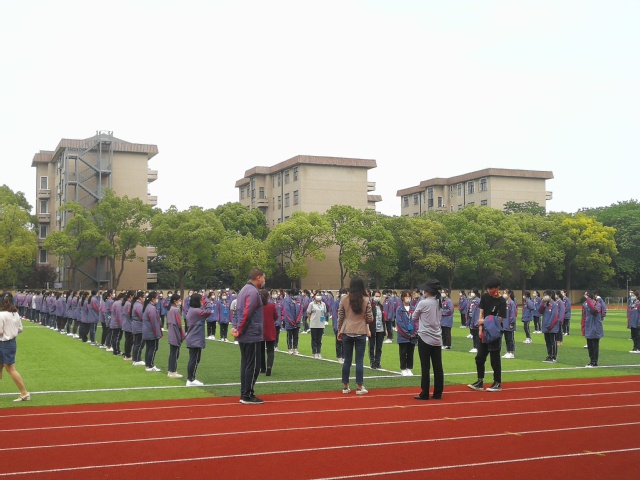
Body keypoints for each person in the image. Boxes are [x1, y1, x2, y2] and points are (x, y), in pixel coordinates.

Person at [232, 268, 266, 404]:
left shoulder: (243, 290)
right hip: (251, 333)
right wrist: (239, 329)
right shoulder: (252, 291)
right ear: (258, 277)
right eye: (263, 277)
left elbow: (237, 311)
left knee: (246, 364)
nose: (264, 280)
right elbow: (247, 313)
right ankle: (247, 394)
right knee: (253, 365)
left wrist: (235, 327)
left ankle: (244, 392)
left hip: (246, 333)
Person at [468, 278, 507, 392]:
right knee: (480, 357)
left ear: (497, 288)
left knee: (495, 359)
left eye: (491, 289)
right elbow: (481, 312)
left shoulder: (502, 301)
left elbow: (500, 319)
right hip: (484, 331)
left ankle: (497, 382)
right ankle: (480, 381)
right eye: (488, 289)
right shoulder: (485, 297)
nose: (489, 291)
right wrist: (480, 328)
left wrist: (484, 321)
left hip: (494, 332)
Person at [338, 277, 373, 395]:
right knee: (359, 360)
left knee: (347, 360)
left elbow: (340, 316)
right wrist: (365, 319)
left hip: (347, 330)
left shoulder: (344, 299)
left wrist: (339, 330)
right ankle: (359, 386)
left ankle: (345, 386)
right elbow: (370, 318)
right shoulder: (366, 300)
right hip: (360, 331)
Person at [413, 280, 444, 400]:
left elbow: (414, 317)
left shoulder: (423, 303)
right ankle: (438, 392)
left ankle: (425, 392)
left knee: (425, 366)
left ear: (428, 291)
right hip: (437, 337)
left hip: (425, 336)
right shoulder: (439, 302)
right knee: (438, 366)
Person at [0, 293, 30, 402]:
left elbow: (0, 331)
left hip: (4, 343)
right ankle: (24, 392)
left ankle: (24, 392)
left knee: (10, 368)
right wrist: (12, 332)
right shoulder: (15, 313)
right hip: (10, 342)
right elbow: (20, 329)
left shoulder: (1, 314)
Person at [185, 292, 213, 385]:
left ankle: (191, 378)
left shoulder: (193, 310)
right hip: (195, 339)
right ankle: (191, 379)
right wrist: (207, 301)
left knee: (195, 359)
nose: (202, 302)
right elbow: (209, 311)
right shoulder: (196, 311)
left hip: (193, 338)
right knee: (194, 359)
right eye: (201, 300)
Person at [395, 290, 417, 376]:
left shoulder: (413, 309)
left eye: (409, 296)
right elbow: (399, 322)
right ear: (402, 298)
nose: (408, 298)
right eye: (406, 296)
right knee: (403, 352)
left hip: (413, 335)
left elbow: (416, 321)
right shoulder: (399, 309)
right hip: (403, 335)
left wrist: (415, 332)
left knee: (411, 352)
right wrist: (407, 333)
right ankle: (403, 368)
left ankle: (409, 368)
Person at [141, 292, 163, 372]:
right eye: (156, 298)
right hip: (151, 332)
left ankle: (148, 365)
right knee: (153, 349)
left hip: (147, 331)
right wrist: (158, 334)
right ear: (153, 299)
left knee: (149, 348)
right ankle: (150, 365)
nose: (157, 299)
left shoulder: (148, 306)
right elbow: (154, 322)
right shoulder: (151, 308)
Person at [583, 291, 604, 367]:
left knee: (595, 346)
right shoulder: (586, 305)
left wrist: (588, 301)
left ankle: (595, 361)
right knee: (590, 346)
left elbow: (594, 311)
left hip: (595, 328)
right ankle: (591, 361)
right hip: (589, 327)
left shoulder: (598, 304)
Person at [166, 293, 185, 378]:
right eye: (179, 300)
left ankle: (171, 370)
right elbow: (179, 324)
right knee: (175, 353)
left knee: (172, 353)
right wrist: (182, 335)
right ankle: (172, 371)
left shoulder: (170, 309)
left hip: (171, 332)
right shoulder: (175, 310)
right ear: (175, 301)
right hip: (175, 333)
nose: (180, 301)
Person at [260, 289, 278, 376]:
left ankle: (262, 368)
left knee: (261, 350)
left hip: (260, 330)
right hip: (270, 330)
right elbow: (276, 316)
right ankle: (269, 366)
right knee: (270, 350)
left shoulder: (257, 307)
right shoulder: (272, 306)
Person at [539, 290, 560, 363]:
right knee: (547, 342)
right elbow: (539, 311)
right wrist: (542, 303)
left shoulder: (554, 304)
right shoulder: (545, 304)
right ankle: (549, 355)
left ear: (550, 296)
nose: (544, 297)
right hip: (546, 327)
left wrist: (549, 327)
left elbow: (554, 317)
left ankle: (553, 356)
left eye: (545, 295)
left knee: (552, 342)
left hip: (552, 328)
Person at [307, 291, 328, 359]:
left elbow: (324, 313)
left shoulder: (323, 304)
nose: (318, 296)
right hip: (314, 323)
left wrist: (323, 321)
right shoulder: (311, 304)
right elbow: (309, 313)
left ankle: (319, 352)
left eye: (319, 295)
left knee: (319, 339)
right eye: (317, 295)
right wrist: (311, 320)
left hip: (321, 324)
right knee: (314, 339)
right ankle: (315, 352)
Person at [369, 290, 386, 369]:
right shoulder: (370, 306)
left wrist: (385, 329)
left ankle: (378, 362)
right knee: (372, 346)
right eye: (376, 296)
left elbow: (383, 318)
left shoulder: (381, 306)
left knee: (379, 347)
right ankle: (372, 362)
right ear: (373, 296)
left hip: (380, 329)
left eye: (379, 296)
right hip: (372, 328)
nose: (378, 298)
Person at [283, 289, 301, 354]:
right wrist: (291, 320)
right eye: (295, 294)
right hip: (289, 321)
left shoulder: (299, 300)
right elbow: (287, 311)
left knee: (296, 336)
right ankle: (290, 348)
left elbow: (300, 309)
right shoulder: (287, 300)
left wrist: (298, 319)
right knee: (290, 335)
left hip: (297, 321)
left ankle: (295, 348)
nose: (296, 296)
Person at [501, 289, 517, 359]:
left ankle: (511, 352)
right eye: (503, 293)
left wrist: (512, 323)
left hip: (509, 323)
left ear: (509, 294)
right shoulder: (504, 302)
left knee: (510, 339)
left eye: (505, 293)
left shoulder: (511, 303)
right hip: (504, 324)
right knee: (506, 339)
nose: (504, 294)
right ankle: (508, 351)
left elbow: (513, 314)